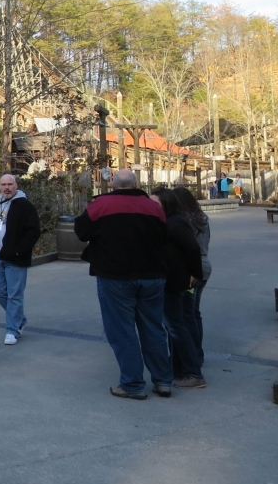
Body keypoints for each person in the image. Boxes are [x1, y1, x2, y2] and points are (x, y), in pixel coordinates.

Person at [74, 169, 173, 400]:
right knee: (154, 328)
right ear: (136, 184)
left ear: (113, 185)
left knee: (122, 331)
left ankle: (133, 384)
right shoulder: (153, 207)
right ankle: (163, 381)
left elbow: (80, 230)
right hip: (152, 276)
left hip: (115, 277)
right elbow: (164, 235)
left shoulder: (100, 206)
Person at [150, 187, 205, 388]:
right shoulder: (167, 221)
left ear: (166, 204)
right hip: (171, 280)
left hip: (175, 282)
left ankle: (193, 373)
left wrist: (195, 273)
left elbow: (193, 248)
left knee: (176, 327)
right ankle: (180, 369)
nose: (151, 207)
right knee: (176, 325)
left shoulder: (175, 223)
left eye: (155, 203)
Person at [0, 174, 41, 345]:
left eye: (10, 184)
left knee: (15, 294)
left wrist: (18, 251)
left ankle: (12, 330)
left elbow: (33, 231)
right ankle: (19, 319)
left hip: (15, 258)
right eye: (3, 184)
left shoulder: (25, 206)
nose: (7, 188)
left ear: (16, 186)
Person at [173, 185, 211, 365]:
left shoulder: (184, 221)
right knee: (194, 312)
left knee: (186, 314)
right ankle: (198, 353)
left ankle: (192, 355)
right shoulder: (202, 217)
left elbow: (189, 248)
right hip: (205, 265)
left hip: (192, 270)